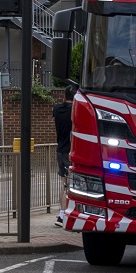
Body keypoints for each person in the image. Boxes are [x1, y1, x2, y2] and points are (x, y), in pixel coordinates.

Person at [53, 85, 75, 227]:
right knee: (72, 185)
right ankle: (65, 215)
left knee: (64, 184)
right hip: (71, 151)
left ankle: (62, 214)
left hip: (60, 150)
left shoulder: (56, 109)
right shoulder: (75, 111)